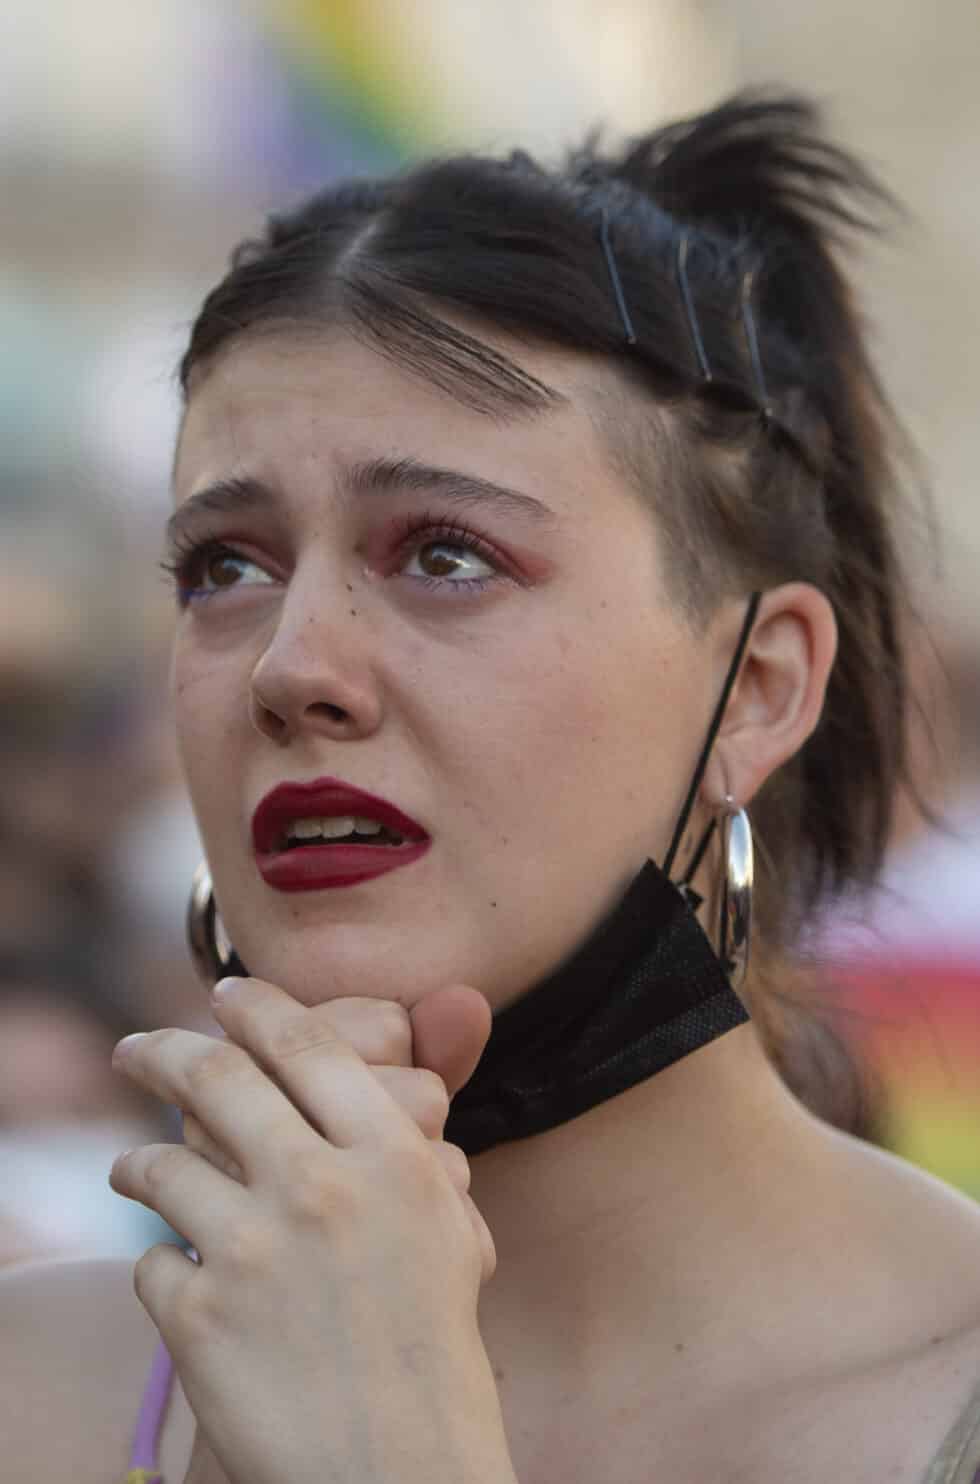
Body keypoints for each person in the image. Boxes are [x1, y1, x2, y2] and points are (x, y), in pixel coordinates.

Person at [3, 91, 980, 1484]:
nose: (293, 665)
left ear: (760, 687)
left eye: (446, 555)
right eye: (225, 565)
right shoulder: (31, 1395)